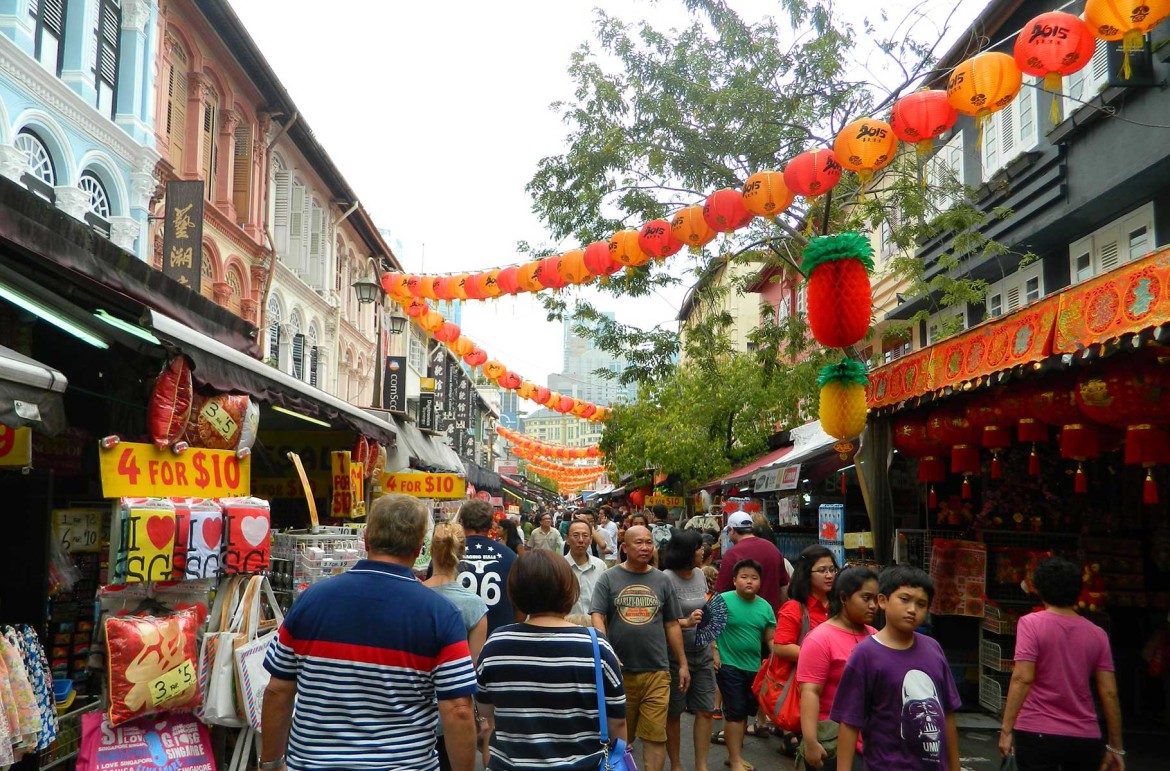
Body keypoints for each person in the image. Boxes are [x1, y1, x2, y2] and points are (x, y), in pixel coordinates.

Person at [261, 494, 478, 771]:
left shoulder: (311, 601)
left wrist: (270, 763)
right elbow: (458, 710)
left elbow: (278, 691)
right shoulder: (440, 615)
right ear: (419, 547)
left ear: (366, 539)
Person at [476, 550, 627, 770]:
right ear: (568, 589)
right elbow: (617, 722)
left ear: (515, 592)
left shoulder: (496, 643)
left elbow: (487, 712)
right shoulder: (596, 645)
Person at [998, 557, 1124, 771]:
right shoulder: (1097, 634)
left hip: (1037, 730)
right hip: (1084, 735)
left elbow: (1022, 677)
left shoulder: (1031, 624)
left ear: (1039, 589)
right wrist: (1115, 746)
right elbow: (1109, 692)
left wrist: (1006, 728)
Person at [830, 566, 961, 771]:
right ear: (882, 601)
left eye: (921, 604)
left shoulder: (933, 649)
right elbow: (849, 722)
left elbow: (947, 714)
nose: (912, 609)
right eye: (904, 599)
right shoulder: (865, 654)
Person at [592, 525, 689, 771]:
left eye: (649, 542)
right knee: (621, 739)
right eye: (639, 543)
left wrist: (683, 663)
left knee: (656, 736)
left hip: (657, 670)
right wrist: (607, 652)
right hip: (619, 673)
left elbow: (671, 624)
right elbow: (597, 616)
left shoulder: (662, 579)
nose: (646, 547)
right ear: (625, 547)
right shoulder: (609, 577)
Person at [795, 566, 879, 770]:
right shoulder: (820, 639)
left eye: (876, 599)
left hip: (872, 739)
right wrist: (811, 742)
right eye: (866, 598)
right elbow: (809, 692)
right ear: (843, 598)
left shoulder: (875, 635)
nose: (873, 606)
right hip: (834, 741)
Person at [425, 522, 490, 771]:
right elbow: (473, 671)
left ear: (431, 550)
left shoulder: (413, 596)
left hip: (411, 713)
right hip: (452, 716)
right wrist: (481, 717)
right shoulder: (474, 606)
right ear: (461, 554)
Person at [660, 529, 717, 771]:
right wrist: (685, 621)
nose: (702, 551)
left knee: (705, 709)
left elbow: (706, 614)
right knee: (674, 712)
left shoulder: (699, 576)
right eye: (698, 547)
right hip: (674, 654)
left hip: (702, 650)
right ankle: (676, 764)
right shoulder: (664, 578)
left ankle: (701, 765)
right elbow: (661, 620)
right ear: (685, 551)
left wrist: (715, 649)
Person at [772, 545, 839, 749]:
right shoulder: (795, 608)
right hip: (809, 690)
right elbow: (781, 646)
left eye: (832, 569)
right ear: (806, 574)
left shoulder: (840, 606)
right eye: (822, 570)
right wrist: (822, 659)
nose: (829, 575)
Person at [713, 559, 776, 771]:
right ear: (734, 580)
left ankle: (735, 755)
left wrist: (776, 663)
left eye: (754, 578)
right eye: (744, 577)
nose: (749, 581)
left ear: (760, 582)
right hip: (728, 664)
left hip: (754, 668)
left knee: (745, 712)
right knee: (736, 712)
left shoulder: (765, 607)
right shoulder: (722, 600)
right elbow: (709, 628)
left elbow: (770, 640)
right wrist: (714, 652)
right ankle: (735, 759)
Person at [457, 499, 518, 634]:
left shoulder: (446, 554)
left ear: (461, 522)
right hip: (499, 641)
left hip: (456, 641)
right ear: (491, 524)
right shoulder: (510, 557)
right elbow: (521, 605)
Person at [714, 512, 789, 613]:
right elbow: (784, 587)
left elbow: (721, 594)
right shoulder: (772, 549)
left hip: (742, 621)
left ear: (732, 531)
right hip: (771, 618)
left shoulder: (732, 554)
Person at [565, 519, 608, 618]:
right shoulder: (558, 567)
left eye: (585, 536)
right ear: (567, 539)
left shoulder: (600, 566)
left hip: (594, 628)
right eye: (575, 535)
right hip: (568, 629)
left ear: (591, 539)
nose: (580, 540)